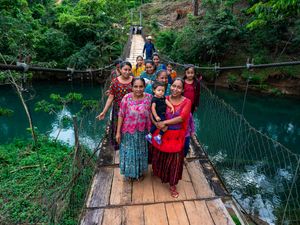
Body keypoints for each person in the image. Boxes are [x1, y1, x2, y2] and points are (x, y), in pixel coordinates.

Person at [151, 78, 192, 198]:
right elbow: (152, 112)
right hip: (162, 133)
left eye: (179, 87)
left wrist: (164, 123)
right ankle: (160, 173)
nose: (175, 89)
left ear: (183, 89)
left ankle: (173, 185)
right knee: (160, 156)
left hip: (177, 136)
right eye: (174, 86)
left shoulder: (187, 102)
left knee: (175, 161)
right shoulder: (163, 98)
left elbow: (181, 118)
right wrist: (156, 123)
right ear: (170, 86)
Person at [116, 78, 152, 180]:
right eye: (135, 86)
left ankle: (139, 173)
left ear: (144, 87)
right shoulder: (126, 98)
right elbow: (121, 114)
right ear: (131, 87)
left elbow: (154, 112)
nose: (138, 89)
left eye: (141, 86)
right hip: (128, 132)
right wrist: (118, 132)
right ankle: (130, 174)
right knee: (129, 153)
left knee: (141, 152)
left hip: (143, 132)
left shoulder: (149, 98)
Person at [97, 61, 133, 150]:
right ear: (120, 70)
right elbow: (110, 98)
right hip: (118, 108)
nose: (127, 72)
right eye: (125, 69)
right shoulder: (115, 82)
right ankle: (119, 145)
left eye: (129, 70)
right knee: (118, 127)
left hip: (132, 109)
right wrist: (104, 112)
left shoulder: (134, 80)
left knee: (130, 128)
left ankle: (130, 144)